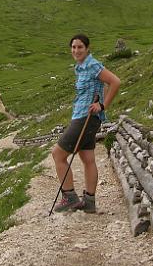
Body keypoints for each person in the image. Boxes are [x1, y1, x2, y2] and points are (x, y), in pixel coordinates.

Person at [52, 33, 121, 213]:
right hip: (83, 116)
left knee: (58, 154)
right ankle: (89, 202)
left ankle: (70, 197)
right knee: (87, 158)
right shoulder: (80, 67)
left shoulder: (92, 65)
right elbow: (100, 86)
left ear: (87, 48)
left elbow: (115, 82)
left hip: (86, 118)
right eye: (73, 47)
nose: (76, 50)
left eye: (80, 47)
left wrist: (102, 105)